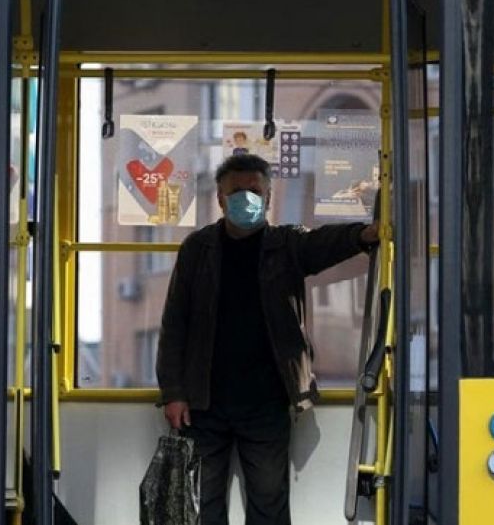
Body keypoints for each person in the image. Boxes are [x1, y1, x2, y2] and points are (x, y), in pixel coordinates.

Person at [157, 154, 378, 524]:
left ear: (269, 196)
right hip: (203, 402)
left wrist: (364, 234)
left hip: (267, 400)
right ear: (220, 198)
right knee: (200, 505)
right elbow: (174, 323)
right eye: (236, 191)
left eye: (255, 191)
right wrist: (173, 392)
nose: (246, 198)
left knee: (269, 504)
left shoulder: (286, 244)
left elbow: (324, 242)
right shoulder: (197, 248)